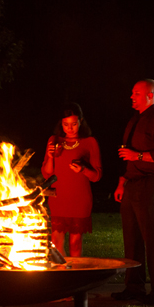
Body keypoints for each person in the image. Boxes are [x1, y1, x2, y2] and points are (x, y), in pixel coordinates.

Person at [112, 79, 154, 305]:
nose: (132, 97)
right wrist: (122, 182)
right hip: (134, 182)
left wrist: (138, 156)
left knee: (152, 237)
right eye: (132, 93)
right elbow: (126, 155)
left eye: (136, 93)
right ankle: (134, 286)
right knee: (132, 238)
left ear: (150, 95)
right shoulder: (135, 120)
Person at [41, 103, 102, 257]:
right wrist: (49, 156)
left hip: (79, 200)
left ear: (81, 121)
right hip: (58, 198)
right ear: (61, 123)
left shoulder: (89, 142)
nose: (70, 128)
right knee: (55, 241)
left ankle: (75, 274)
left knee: (75, 242)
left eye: (74, 124)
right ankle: (62, 274)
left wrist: (83, 169)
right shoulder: (54, 140)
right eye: (66, 124)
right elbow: (47, 174)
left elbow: (96, 176)